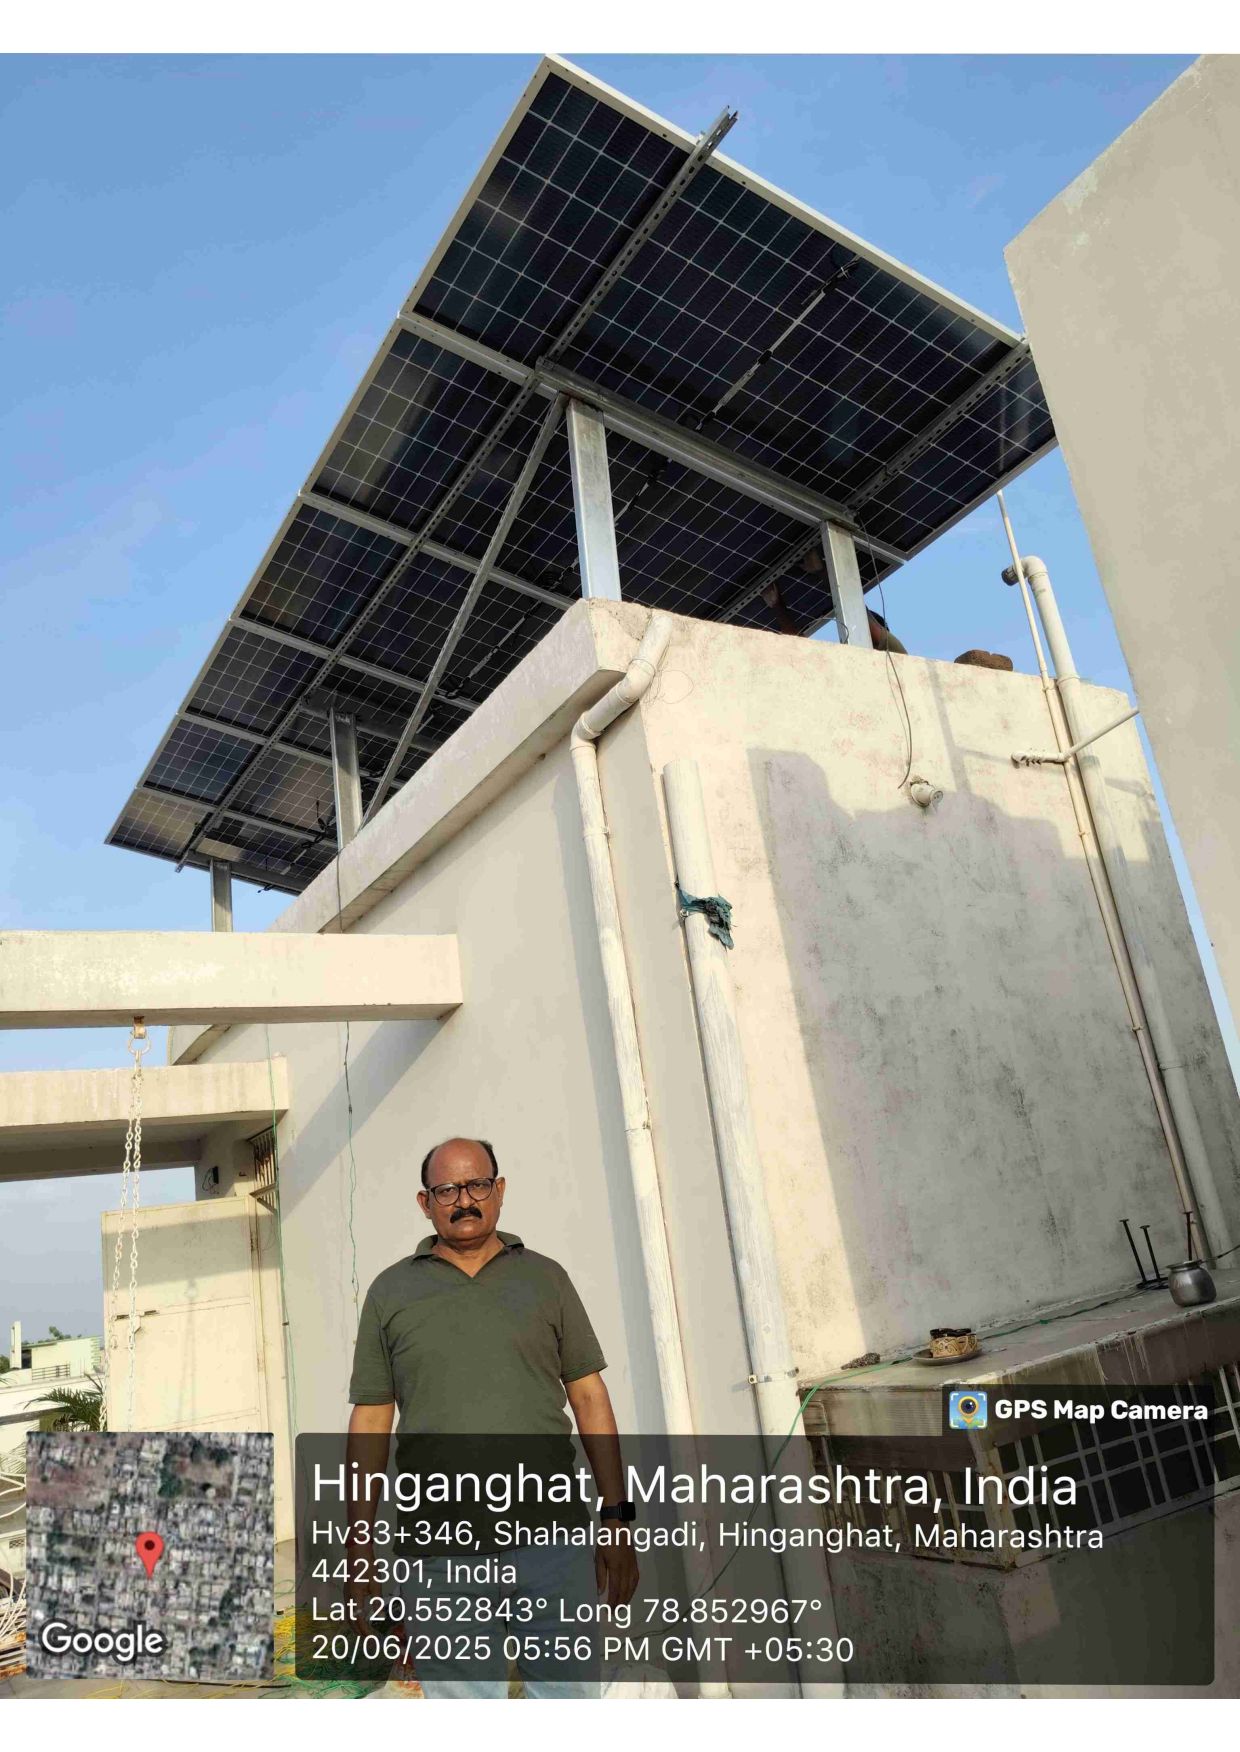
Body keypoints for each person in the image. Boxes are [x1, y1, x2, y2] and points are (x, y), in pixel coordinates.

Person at [345, 1136, 638, 1698]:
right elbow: (370, 1424)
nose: (464, 1200)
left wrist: (617, 1518)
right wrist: (360, 1552)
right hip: (439, 1555)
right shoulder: (390, 1292)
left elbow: (590, 1398)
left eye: (477, 1185)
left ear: (499, 1190)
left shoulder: (546, 1279)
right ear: (424, 1203)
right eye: (446, 1190)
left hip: (553, 1543)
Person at [762, 553, 907, 653]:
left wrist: (776, 606)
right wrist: (821, 570)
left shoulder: (896, 654)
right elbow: (856, 613)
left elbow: (804, 652)